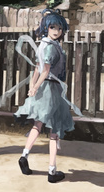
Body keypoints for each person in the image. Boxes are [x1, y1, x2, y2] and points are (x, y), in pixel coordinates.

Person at [14, 10, 75, 182]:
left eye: (59, 28)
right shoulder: (52, 48)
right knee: (54, 130)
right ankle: (51, 171)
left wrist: (33, 86)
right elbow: (45, 70)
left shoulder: (42, 45)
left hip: (43, 88)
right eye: (52, 27)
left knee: (38, 124)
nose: (56, 31)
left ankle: (24, 155)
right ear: (46, 28)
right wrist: (35, 87)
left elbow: (36, 68)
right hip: (51, 89)